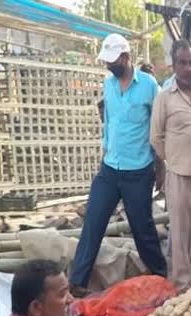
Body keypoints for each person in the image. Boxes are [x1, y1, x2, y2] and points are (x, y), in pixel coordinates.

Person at [70, 33, 166, 297]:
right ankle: (77, 282)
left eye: (113, 61)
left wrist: (160, 166)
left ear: (126, 57)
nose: (108, 66)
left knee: (142, 227)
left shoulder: (149, 86)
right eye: (107, 62)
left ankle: (161, 276)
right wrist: (104, 155)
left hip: (139, 170)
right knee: (94, 220)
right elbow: (109, 124)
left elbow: (157, 128)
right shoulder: (108, 86)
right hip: (110, 168)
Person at [150, 40, 191, 291]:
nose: (189, 68)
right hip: (178, 175)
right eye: (183, 63)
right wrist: (172, 161)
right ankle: (182, 285)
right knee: (180, 234)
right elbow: (155, 137)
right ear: (174, 66)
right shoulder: (164, 98)